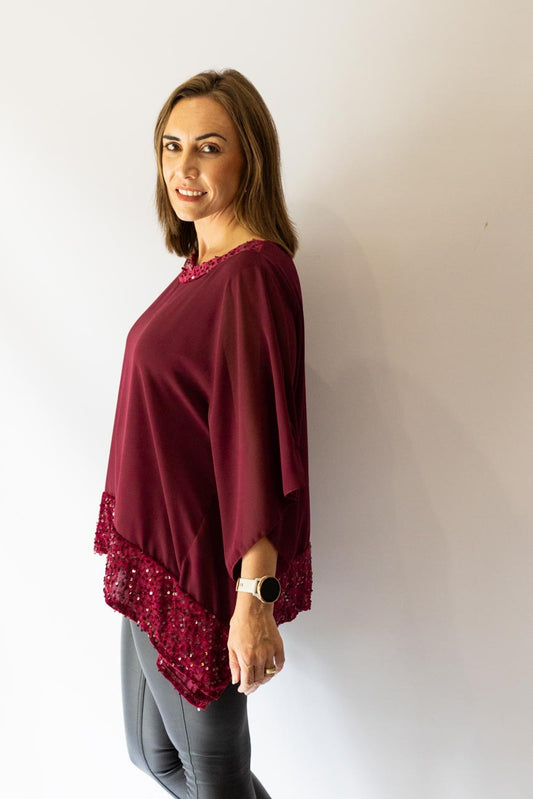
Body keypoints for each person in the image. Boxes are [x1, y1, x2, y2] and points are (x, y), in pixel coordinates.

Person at [94, 68, 311, 799]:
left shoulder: (251, 275)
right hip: (155, 554)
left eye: (208, 147)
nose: (183, 166)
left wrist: (255, 596)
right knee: (154, 757)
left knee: (213, 779)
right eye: (172, 145)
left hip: (202, 571)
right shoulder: (202, 269)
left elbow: (256, 444)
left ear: (248, 157)